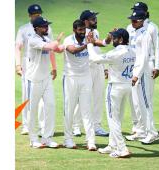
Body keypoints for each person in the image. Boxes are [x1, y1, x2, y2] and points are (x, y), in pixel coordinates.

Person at [87, 28, 135, 158]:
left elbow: (95, 59)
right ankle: (112, 145)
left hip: (115, 88)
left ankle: (122, 148)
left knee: (113, 120)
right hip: (127, 87)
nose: (112, 40)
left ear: (120, 39)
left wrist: (90, 44)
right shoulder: (132, 51)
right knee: (118, 117)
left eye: (114, 38)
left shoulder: (115, 53)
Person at [15, 4, 57, 135]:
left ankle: (42, 125)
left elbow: (50, 48)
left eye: (39, 14)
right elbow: (18, 47)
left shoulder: (46, 28)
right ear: (29, 16)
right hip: (28, 63)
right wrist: (17, 65)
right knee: (27, 95)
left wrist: (54, 66)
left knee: (44, 98)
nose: (38, 16)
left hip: (43, 63)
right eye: (35, 15)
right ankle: (26, 125)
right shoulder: (23, 29)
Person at [126, 2, 159, 144]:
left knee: (146, 101)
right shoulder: (132, 28)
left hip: (146, 67)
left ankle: (152, 132)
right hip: (134, 66)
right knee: (136, 101)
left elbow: (154, 50)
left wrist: (157, 66)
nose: (133, 20)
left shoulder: (151, 28)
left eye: (137, 13)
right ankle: (140, 130)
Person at [71, 10, 110, 137]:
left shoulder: (95, 32)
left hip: (97, 67)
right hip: (86, 68)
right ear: (86, 21)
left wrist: (104, 67)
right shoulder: (81, 33)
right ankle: (76, 126)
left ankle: (96, 126)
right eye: (93, 19)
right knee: (82, 98)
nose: (96, 20)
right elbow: (96, 44)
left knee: (98, 97)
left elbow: (97, 50)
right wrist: (106, 41)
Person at [26, 16, 63, 148]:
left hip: (46, 79)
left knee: (51, 106)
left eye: (47, 25)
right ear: (36, 28)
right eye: (44, 26)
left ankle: (47, 138)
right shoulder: (33, 40)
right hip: (34, 79)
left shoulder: (46, 39)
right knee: (33, 110)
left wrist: (71, 45)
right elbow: (52, 46)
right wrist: (57, 40)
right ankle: (33, 139)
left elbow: (57, 49)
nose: (46, 27)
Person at [61, 19, 96, 151]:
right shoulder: (68, 40)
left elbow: (99, 43)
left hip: (86, 78)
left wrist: (107, 40)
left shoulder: (88, 39)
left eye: (84, 30)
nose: (82, 32)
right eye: (80, 30)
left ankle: (91, 141)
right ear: (74, 30)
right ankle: (68, 139)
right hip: (71, 78)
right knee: (69, 109)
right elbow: (73, 50)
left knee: (87, 110)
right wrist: (87, 44)